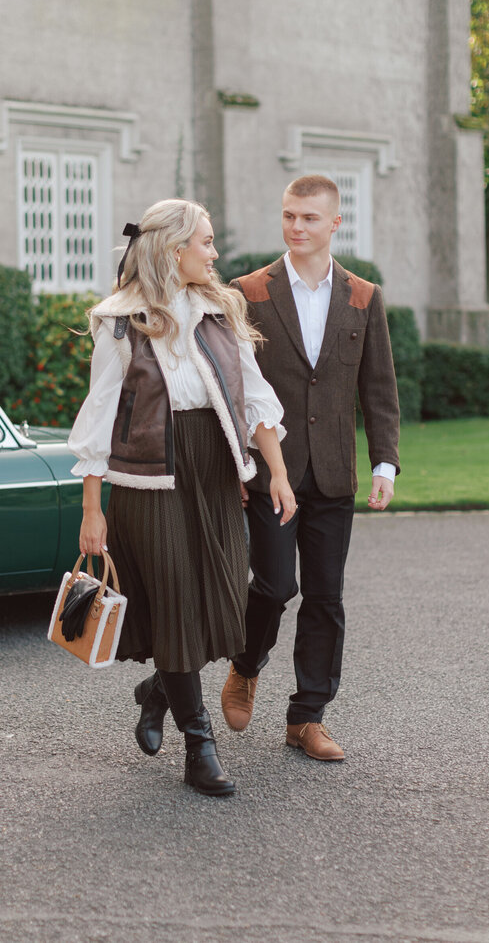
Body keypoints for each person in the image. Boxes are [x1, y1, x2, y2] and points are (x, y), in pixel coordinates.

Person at [68, 199, 296, 797]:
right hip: (149, 482)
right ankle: (200, 748)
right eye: (207, 242)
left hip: (215, 473)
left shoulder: (219, 308)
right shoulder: (122, 320)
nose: (215, 254)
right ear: (175, 250)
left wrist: (275, 472)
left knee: (223, 604)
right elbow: (99, 419)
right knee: (175, 605)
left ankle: (157, 692)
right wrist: (93, 511)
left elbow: (254, 397)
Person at [220, 174, 400, 762]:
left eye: (309, 219)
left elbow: (378, 390)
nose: (296, 227)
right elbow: (231, 387)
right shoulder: (246, 292)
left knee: (326, 598)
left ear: (334, 224)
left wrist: (385, 462)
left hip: (333, 476)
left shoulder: (363, 297)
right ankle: (246, 665)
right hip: (268, 471)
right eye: (289, 216)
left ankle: (307, 717)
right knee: (274, 586)